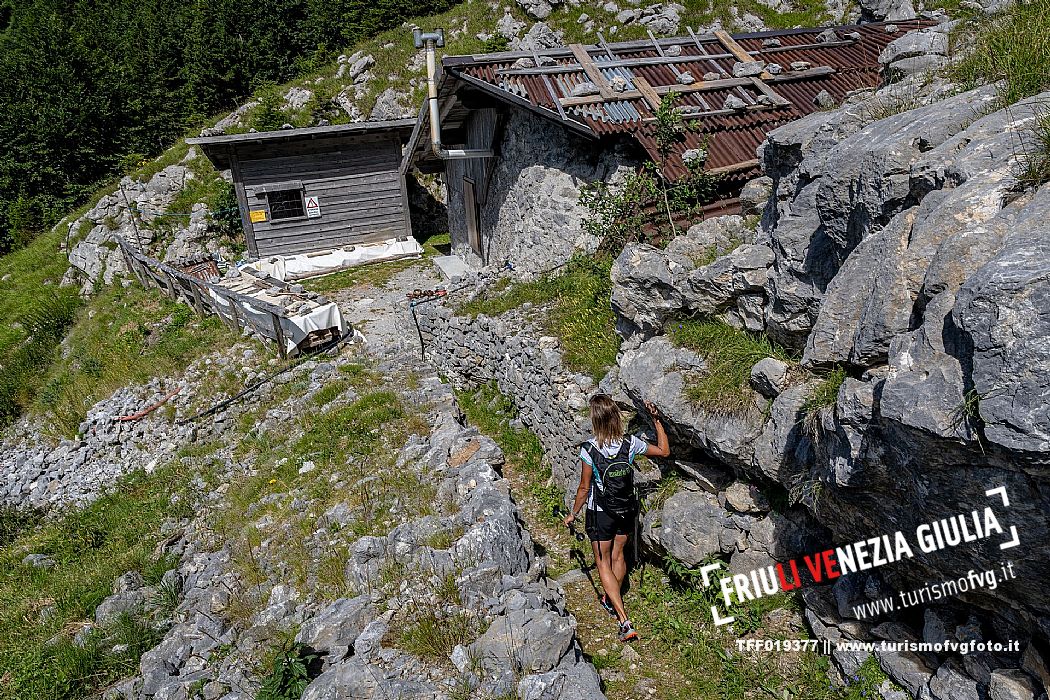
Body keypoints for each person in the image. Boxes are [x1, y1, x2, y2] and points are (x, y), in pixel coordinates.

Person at [563, 394, 670, 643]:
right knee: (618, 556)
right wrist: (656, 420)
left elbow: (583, 487)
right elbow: (664, 451)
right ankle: (610, 598)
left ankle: (624, 620)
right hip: (626, 508)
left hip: (601, 513)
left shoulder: (590, 449)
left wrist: (573, 514)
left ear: (595, 421)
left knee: (602, 563)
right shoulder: (630, 443)